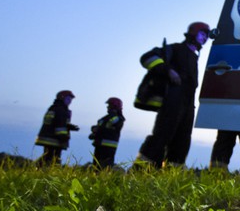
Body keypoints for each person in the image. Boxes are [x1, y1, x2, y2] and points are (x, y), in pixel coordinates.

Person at [135, 21, 210, 168]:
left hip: (188, 104)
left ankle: (172, 174)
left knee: (182, 140)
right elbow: (147, 58)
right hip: (172, 100)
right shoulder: (175, 49)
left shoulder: (194, 56)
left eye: (206, 36)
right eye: (203, 34)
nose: (205, 38)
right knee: (162, 135)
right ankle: (141, 171)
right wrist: (167, 70)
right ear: (193, 33)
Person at [35, 90, 79, 165]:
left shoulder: (54, 108)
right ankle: (41, 169)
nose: (70, 101)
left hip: (49, 137)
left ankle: (38, 168)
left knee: (48, 156)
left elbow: (56, 122)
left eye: (70, 100)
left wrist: (69, 126)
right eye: (68, 99)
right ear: (62, 98)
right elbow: (60, 124)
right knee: (52, 158)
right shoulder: (61, 109)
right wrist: (63, 137)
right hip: (54, 139)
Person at [89, 97, 125, 168]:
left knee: (105, 167)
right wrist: (94, 132)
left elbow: (114, 124)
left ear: (114, 106)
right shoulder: (104, 118)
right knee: (96, 166)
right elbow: (101, 127)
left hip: (109, 147)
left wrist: (112, 114)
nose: (107, 107)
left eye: (109, 105)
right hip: (99, 144)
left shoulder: (118, 118)